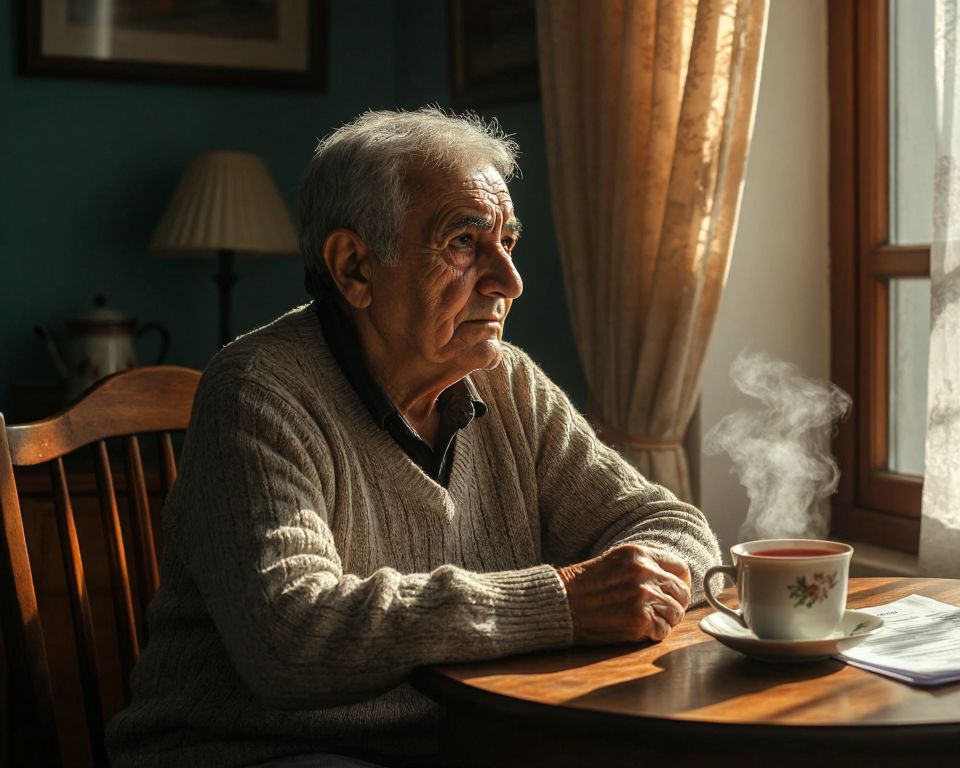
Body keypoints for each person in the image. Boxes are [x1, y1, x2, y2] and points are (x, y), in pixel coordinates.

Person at [106, 107, 721, 767]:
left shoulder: (509, 383)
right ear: (355, 269)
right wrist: (561, 602)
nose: (508, 281)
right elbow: (291, 637)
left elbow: (669, 522)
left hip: (462, 740)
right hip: (256, 750)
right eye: (463, 241)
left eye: (508, 241)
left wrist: (641, 579)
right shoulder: (257, 393)